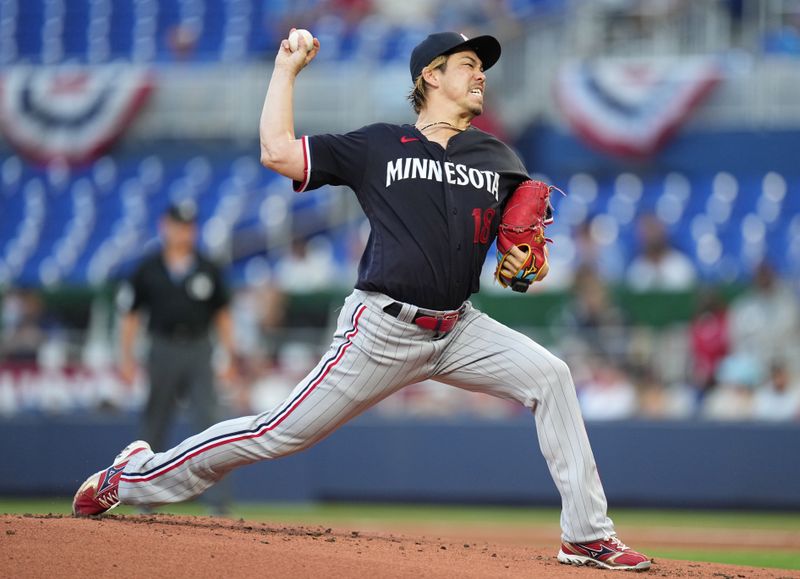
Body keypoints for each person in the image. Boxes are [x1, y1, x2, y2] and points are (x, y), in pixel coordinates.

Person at [73, 30, 651, 571]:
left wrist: (521, 268)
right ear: (431, 74)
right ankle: (132, 477)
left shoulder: (498, 159)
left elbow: (513, 259)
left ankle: (585, 533)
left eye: (482, 68)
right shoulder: (380, 145)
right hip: (380, 329)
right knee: (278, 432)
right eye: (470, 65)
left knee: (550, 377)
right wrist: (285, 69)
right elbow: (277, 152)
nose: (481, 76)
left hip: (460, 328)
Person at [115, 200, 242, 514]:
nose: (183, 232)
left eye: (188, 226)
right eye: (177, 225)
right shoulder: (148, 268)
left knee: (209, 425)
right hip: (162, 347)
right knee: (154, 423)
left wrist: (229, 356)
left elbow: (223, 315)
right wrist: (126, 359)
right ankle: (143, 499)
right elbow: (130, 315)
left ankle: (218, 505)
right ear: (165, 226)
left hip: (199, 348)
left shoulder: (207, 266)